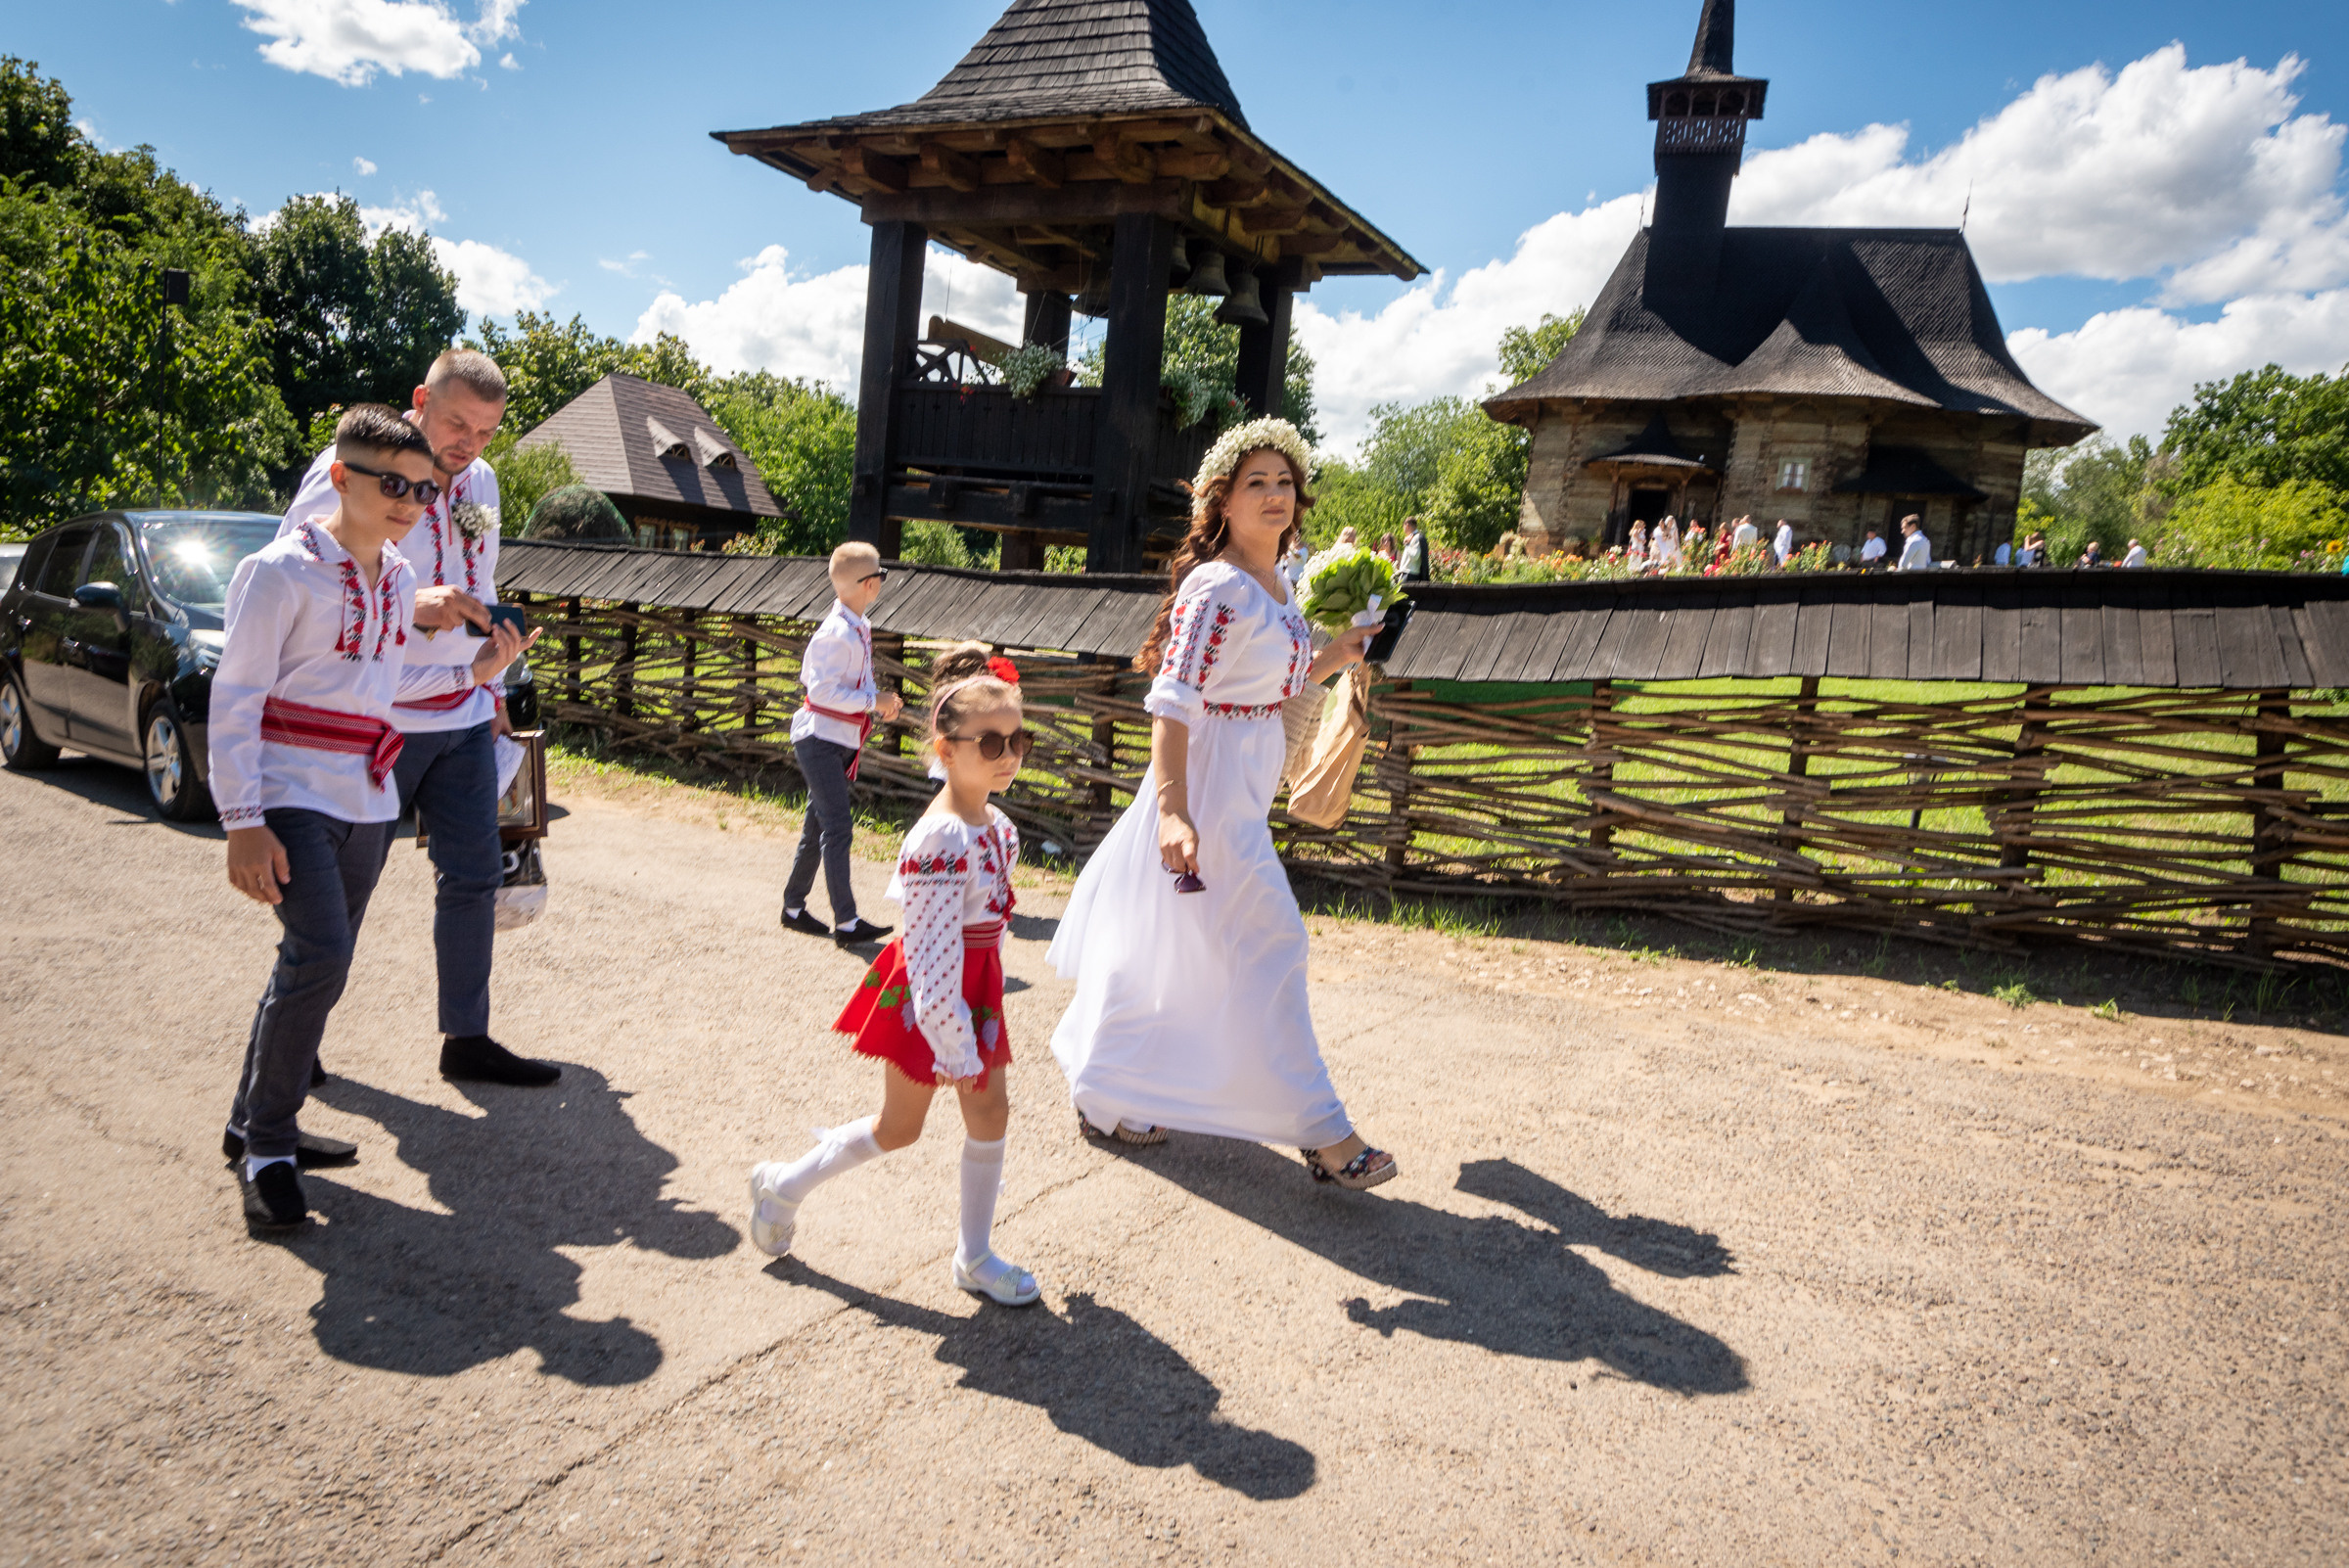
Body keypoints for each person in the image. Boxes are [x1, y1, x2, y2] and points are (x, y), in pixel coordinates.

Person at [1047, 419, 1396, 1190]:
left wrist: (1338, 652)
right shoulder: (1219, 586)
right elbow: (1173, 699)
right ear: (1223, 503)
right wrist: (1173, 810)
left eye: (1284, 483)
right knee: (1274, 942)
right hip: (1204, 789)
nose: (1275, 496)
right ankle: (1324, 1134)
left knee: (1165, 945)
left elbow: (1268, 679)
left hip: (1242, 787)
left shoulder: (1277, 586)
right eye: (1255, 485)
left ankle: (1102, 1090)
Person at [216, 406, 533, 1228]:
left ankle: (252, 1120)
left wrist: (485, 665)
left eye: (422, 489)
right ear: (340, 476)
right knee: (319, 949)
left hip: (366, 793)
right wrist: (241, 817)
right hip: (290, 790)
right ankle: (270, 1150)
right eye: (391, 483)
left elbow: (391, 671)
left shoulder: (394, 580)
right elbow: (236, 697)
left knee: (317, 958)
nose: (409, 501)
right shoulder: (277, 571)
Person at [281, 349, 559, 1087]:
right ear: (419, 402)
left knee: (472, 878)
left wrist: (495, 690)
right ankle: (293, 1046)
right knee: (342, 893)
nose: (469, 444)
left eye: (488, 431)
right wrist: (414, 605)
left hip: (463, 709)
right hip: (379, 718)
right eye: (457, 423)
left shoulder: (481, 482)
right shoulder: (357, 469)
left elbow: (481, 572)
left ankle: (465, 1038)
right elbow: (307, 586)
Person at [748, 644, 1039, 1306]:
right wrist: (957, 1047)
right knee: (899, 1128)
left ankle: (973, 1255)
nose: (1008, 754)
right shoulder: (939, 841)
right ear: (945, 749)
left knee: (991, 1111)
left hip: (974, 991)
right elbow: (933, 962)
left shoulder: (996, 825)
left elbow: (981, 919)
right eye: (990, 742)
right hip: (934, 1001)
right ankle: (782, 1185)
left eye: (1018, 738)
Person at [781, 541, 905, 944]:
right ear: (868, 585)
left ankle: (793, 907)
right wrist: (874, 701)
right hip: (819, 740)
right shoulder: (837, 632)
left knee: (817, 825)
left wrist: (879, 702)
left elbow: (852, 684)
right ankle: (847, 922)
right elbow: (820, 693)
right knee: (837, 828)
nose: (882, 583)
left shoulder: (857, 626)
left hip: (836, 739)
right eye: (880, 577)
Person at [1398, 517, 1429, 581]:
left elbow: (1415, 556)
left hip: (1410, 576)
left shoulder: (1417, 537)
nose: (1403, 528)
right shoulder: (1413, 537)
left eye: (1403, 526)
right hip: (1408, 574)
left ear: (1407, 525)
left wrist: (1407, 545)